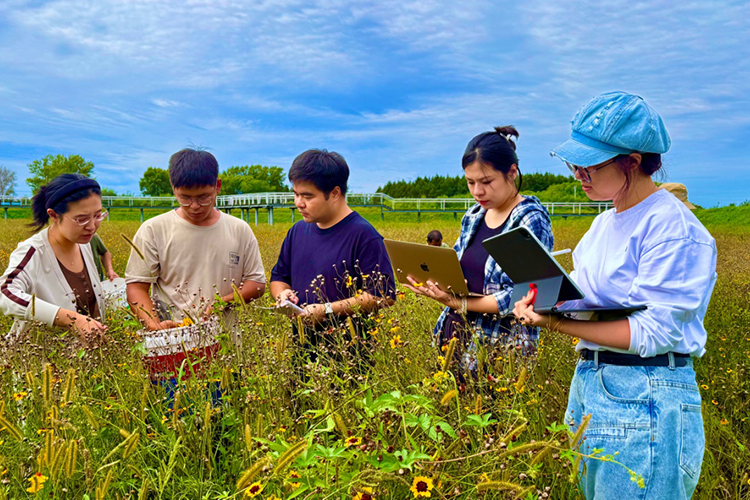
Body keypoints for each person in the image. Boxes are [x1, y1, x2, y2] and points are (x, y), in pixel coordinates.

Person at [512, 91, 717, 498]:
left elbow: (652, 332)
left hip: (646, 391)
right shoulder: (603, 224)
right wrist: (544, 296)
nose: (578, 174)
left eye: (589, 164)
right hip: (592, 384)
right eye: (573, 163)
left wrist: (555, 323)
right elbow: (586, 296)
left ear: (632, 162)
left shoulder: (672, 228)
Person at [404, 126, 553, 368]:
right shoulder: (473, 216)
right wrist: (433, 282)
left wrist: (459, 303)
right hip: (455, 331)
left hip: (501, 345)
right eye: (470, 182)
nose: (477, 191)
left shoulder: (529, 220)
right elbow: (456, 269)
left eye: (486, 181)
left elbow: (526, 294)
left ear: (512, 172)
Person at [125, 149, 266, 383]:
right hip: (172, 349)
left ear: (218, 186)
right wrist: (154, 325)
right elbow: (136, 287)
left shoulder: (239, 230)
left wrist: (222, 303)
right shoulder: (153, 230)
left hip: (226, 349)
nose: (194, 206)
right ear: (173, 188)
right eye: (185, 198)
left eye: (203, 197)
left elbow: (257, 283)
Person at [270, 149, 395, 356]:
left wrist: (326, 310)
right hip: (301, 352)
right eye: (296, 194)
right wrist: (282, 294)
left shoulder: (365, 236)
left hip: (350, 358)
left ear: (335, 193)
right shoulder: (297, 231)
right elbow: (279, 278)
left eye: (307, 196)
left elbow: (382, 295)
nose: (298, 203)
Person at [0, 173, 107, 343]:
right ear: (54, 215)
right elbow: (5, 293)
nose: (92, 226)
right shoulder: (33, 251)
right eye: (82, 219)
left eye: (98, 215)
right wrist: (69, 319)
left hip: (84, 356)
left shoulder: (84, 244)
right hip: (39, 356)